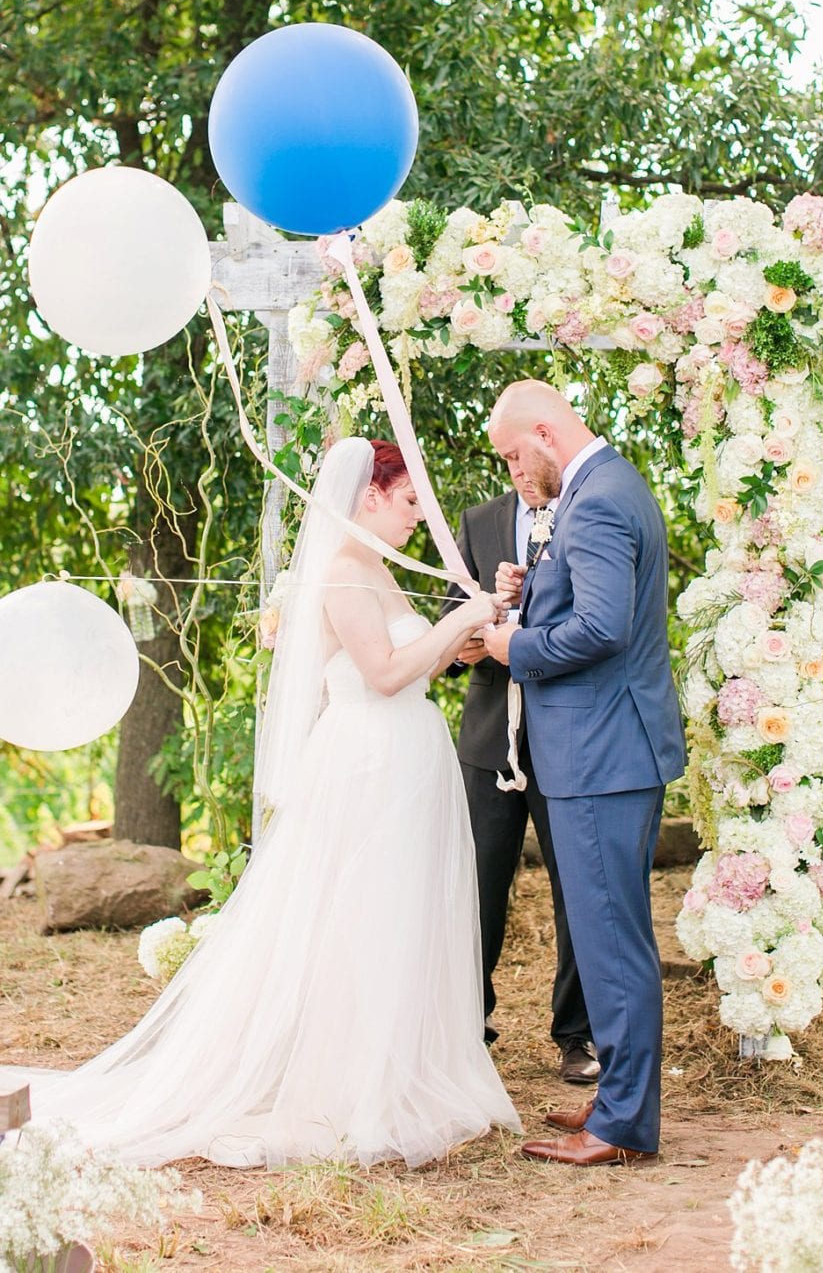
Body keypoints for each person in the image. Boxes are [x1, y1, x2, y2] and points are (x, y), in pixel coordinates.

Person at [3, 438, 521, 1167]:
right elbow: (381, 674)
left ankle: (398, 1071)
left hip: (405, 755)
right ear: (368, 496)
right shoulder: (344, 574)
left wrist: (474, 625)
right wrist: (458, 620)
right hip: (368, 763)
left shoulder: (374, 568)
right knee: (360, 916)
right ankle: (347, 1085)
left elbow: (419, 670)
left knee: (399, 912)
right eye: (408, 502)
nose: (415, 519)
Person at [478, 381, 687, 1167]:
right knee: (605, 935)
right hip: (605, 749)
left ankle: (625, 1124)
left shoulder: (595, 500)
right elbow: (596, 600)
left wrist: (513, 649)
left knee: (610, 939)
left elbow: (603, 627)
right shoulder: (609, 483)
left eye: (511, 456)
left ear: (543, 431)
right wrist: (539, 595)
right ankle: (617, 1096)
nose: (513, 474)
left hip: (602, 753)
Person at [445, 483, 597, 1085]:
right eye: (504, 456)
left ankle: (578, 1034)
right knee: (476, 887)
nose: (516, 469)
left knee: (577, 889)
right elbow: (452, 644)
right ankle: (466, 1025)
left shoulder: (590, 515)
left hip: (570, 736)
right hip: (488, 738)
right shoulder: (480, 522)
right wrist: (493, 615)